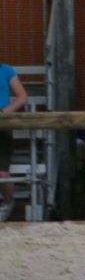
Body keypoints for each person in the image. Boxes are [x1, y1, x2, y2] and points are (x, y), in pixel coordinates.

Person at [1, 62, 29, 222]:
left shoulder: (6, 70)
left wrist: (3, 112)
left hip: (3, 125)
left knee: (2, 172)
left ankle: (8, 202)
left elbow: (22, 97)